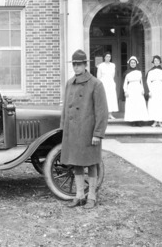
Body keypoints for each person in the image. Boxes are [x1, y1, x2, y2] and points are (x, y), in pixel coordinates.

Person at [61, 49, 108, 209]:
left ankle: (92, 197)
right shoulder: (69, 83)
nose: (76, 68)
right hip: (73, 132)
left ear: (85, 65)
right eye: (74, 64)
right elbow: (65, 110)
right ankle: (80, 195)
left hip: (88, 132)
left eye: (79, 64)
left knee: (91, 163)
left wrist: (98, 133)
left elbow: (102, 111)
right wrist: (64, 129)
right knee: (77, 163)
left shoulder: (96, 84)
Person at [123, 56, 149, 126]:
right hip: (130, 89)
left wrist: (143, 90)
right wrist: (125, 91)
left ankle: (139, 121)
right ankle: (133, 121)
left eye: (134, 63)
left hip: (138, 89)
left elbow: (142, 82)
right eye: (131, 63)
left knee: (139, 105)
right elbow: (125, 83)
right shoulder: (127, 72)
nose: (133, 64)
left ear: (136, 63)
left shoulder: (140, 72)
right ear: (129, 64)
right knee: (132, 105)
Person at [146, 55, 162, 127]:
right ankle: (155, 121)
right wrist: (149, 91)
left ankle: (160, 121)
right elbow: (147, 82)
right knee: (154, 104)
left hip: (161, 89)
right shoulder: (150, 71)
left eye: (158, 61)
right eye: (155, 61)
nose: (156, 62)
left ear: (160, 62)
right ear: (153, 62)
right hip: (153, 89)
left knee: (161, 104)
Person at [97, 52, 119, 119]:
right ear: (104, 57)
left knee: (111, 98)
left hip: (110, 83)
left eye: (109, 57)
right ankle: (104, 114)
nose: (108, 58)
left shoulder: (113, 65)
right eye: (107, 56)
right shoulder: (101, 65)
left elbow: (113, 75)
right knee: (104, 97)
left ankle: (110, 114)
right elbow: (98, 76)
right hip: (104, 83)